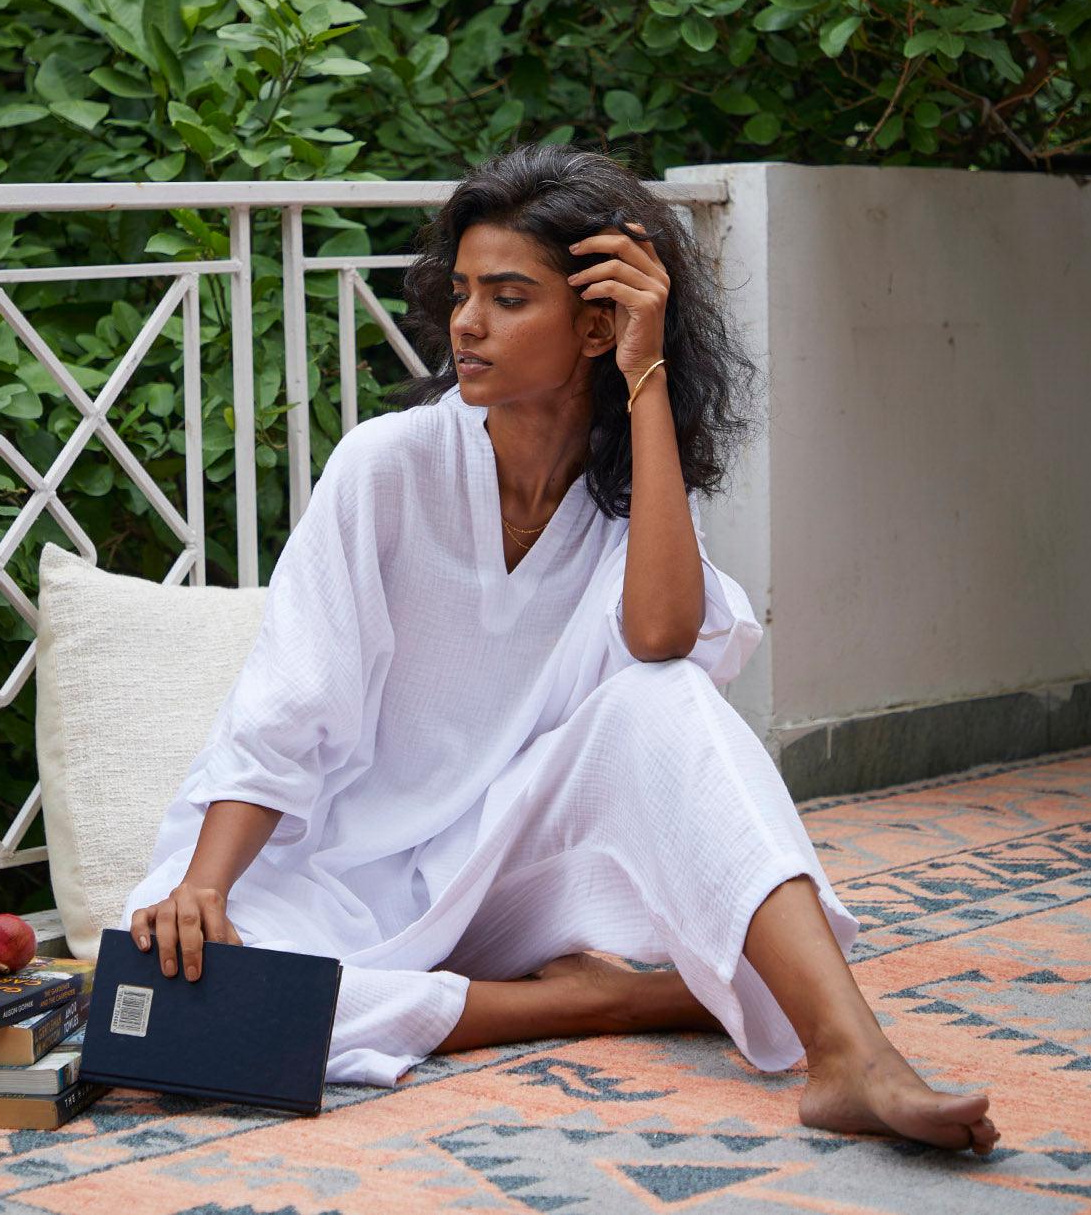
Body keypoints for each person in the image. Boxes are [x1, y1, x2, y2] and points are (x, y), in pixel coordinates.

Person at [122, 142, 1000, 1155]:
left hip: (508, 874)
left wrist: (645, 374)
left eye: (507, 298)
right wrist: (205, 883)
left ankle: (852, 1055)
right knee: (193, 992)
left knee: (665, 699)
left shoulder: (629, 491)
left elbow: (663, 638)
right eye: (462, 292)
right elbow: (290, 700)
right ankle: (609, 1000)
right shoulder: (388, 464)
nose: (466, 322)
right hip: (340, 873)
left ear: (594, 325)